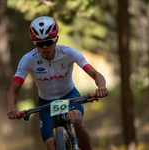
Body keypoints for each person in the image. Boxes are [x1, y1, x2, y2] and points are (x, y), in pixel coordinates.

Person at [7, 16, 108, 150]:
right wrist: (11, 108)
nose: (44, 47)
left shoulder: (68, 53)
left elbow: (95, 74)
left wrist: (101, 87)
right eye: (39, 44)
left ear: (56, 39)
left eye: (48, 42)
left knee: (76, 122)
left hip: (70, 97)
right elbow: (13, 90)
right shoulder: (28, 59)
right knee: (50, 145)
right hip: (46, 103)